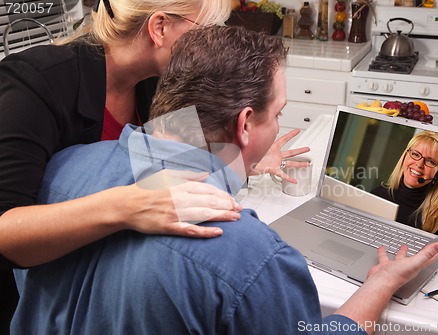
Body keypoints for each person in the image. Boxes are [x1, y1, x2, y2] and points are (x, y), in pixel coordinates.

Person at [12, 25, 438, 335]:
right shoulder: (251, 257)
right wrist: (382, 283)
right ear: (244, 124)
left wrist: (241, 163)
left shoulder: (61, 169)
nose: (278, 124)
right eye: (277, 114)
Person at [0, 0, 308, 330]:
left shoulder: (158, 83)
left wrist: (243, 157)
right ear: (159, 27)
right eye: (204, 30)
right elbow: (6, 230)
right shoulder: (36, 84)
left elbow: (189, 153)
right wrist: (128, 205)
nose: (212, 43)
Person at [371, 131, 438, 240]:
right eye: (415, 154)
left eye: (431, 161)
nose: (419, 164)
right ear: (405, 157)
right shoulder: (377, 196)